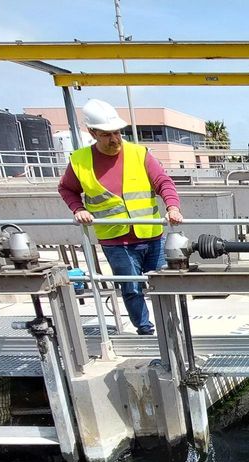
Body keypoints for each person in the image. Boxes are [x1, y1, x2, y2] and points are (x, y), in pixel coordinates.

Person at [58, 99, 184, 335]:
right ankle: (145, 330)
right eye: (107, 134)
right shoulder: (80, 161)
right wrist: (78, 209)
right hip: (116, 240)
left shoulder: (139, 154)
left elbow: (163, 182)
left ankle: (171, 329)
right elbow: (67, 189)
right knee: (131, 287)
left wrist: (172, 207)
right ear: (92, 132)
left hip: (151, 234)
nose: (114, 139)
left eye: (116, 132)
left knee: (164, 284)